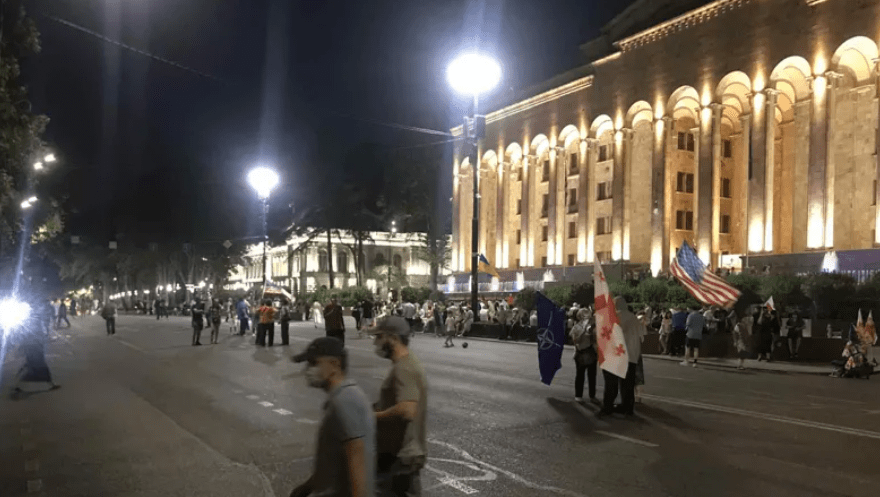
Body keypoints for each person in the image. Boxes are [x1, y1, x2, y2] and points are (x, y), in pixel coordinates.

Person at [290, 337, 375, 497]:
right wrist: (308, 487)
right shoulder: (344, 396)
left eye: (314, 363)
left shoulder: (345, 401)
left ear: (335, 364)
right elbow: (335, 459)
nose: (307, 370)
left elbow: (356, 459)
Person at [372, 317, 428, 496]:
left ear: (393, 338)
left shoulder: (404, 367)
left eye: (379, 337)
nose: (376, 342)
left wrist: (373, 416)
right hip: (400, 456)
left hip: (400, 457)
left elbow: (407, 409)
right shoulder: (406, 363)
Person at [599, 296, 642, 417]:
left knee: (611, 383)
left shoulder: (614, 317)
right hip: (632, 355)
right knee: (628, 384)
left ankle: (607, 407)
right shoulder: (634, 317)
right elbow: (641, 335)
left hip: (617, 355)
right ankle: (627, 407)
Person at [12, 296, 62, 395]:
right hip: (33, 346)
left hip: (33, 345)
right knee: (38, 366)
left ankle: (18, 386)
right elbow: (31, 332)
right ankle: (50, 384)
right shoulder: (33, 316)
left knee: (32, 366)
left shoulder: (32, 316)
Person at [569, 308, 597, 403]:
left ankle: (592, 395)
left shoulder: (592, 326)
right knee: (580, 375)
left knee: (592, 375)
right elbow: (576, 341)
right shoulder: (576, 327)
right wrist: (583, 330)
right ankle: (578, 395)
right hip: (581, 352)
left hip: (591, 351)